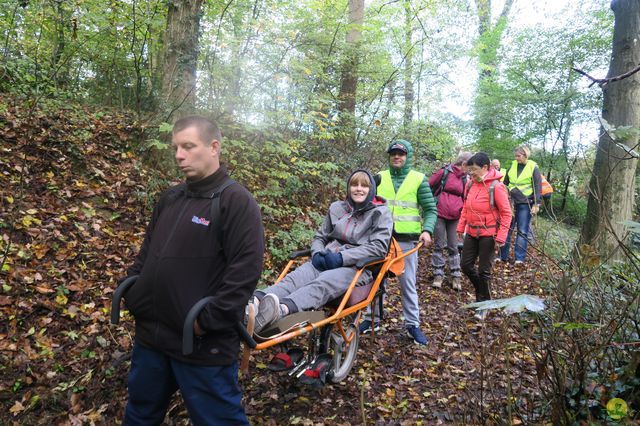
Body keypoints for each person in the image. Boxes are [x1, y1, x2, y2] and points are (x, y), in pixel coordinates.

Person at [121, 116, 265, 425]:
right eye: (176, 148)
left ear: (214, 147)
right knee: (139, 414)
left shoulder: (236, 202)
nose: (179, 155)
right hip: (151, 339)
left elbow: (245, 272)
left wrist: (206, 321)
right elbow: (146, 254)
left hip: (201, 346)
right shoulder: (170, 198)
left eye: (188, 146)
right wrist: (133, 291)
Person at [251, 170, 393, 333]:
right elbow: (320, 236)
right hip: (326, 259)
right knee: (294, 278)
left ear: (372, 189)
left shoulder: (380, 213)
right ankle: (254, 303)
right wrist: (317, 252)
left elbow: (378, 248)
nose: (358, 189)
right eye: (354, 184)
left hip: (356, 267)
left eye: (364, 186)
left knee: (324, 281)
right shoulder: (337, 208)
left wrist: (342, 258)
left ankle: (281, 310)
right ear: (348, 187)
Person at [359, 140, 437, 346]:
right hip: (379, 240)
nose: (396, 157)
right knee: (374, 280)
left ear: (408, 156)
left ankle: (412, 324)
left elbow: (430, 209)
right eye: (393, 153)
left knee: (407, 283)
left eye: (401, 154)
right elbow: (366, 206)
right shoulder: (378, 177)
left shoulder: (418, 179)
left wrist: (427, 230)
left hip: (407, 241)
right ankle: (371, 318)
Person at [456, 153, 512, 319]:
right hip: (472, 232)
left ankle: (483, 304)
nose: (471, 173)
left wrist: (501, 237)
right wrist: (461, 227)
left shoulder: (496, 186)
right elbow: (466, 208)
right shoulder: (470, 185)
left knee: (484, 271)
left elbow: (507, 213)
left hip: (489, 234)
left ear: (485, 168)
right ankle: (484, 295)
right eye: (469, 169)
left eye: (474, 170)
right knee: (465, 265)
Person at [428, 152, 472, 291]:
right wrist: (430, 206)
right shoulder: (444, 172)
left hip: (456, 217)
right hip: (439, 214)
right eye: (469, 166)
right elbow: (427, 186)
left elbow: (468, 196)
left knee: (454, 246)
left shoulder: (466, 178)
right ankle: (438, 275)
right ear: (463, 164)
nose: (470, 170)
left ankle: (456, 275)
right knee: (439, 245)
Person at [498, 145, 542, 265]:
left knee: (522, 231)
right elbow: (505, 183)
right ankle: (502, 256)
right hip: (511, 202)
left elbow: (538, 186)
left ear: (525, 155)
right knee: (507, 228)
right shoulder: (512, 165)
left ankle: (519, 259)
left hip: (525, 203)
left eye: (519, 156)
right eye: (515, 156)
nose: (516, 158)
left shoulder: (533, 167)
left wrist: (537, 204)